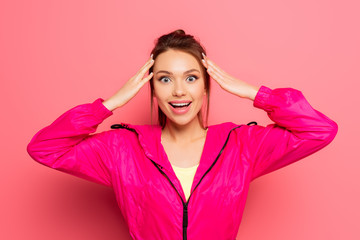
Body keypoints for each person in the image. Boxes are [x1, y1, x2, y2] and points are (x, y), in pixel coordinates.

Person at [27, 29, 338, 240]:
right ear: (151, 87)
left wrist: (252, 92)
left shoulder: (241, 146)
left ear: (205, 85)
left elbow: (319, 130)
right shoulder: (120, 148)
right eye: (164, 79)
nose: (178, 91)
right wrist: (110, 103)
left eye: (191, 78)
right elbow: (44, 148)